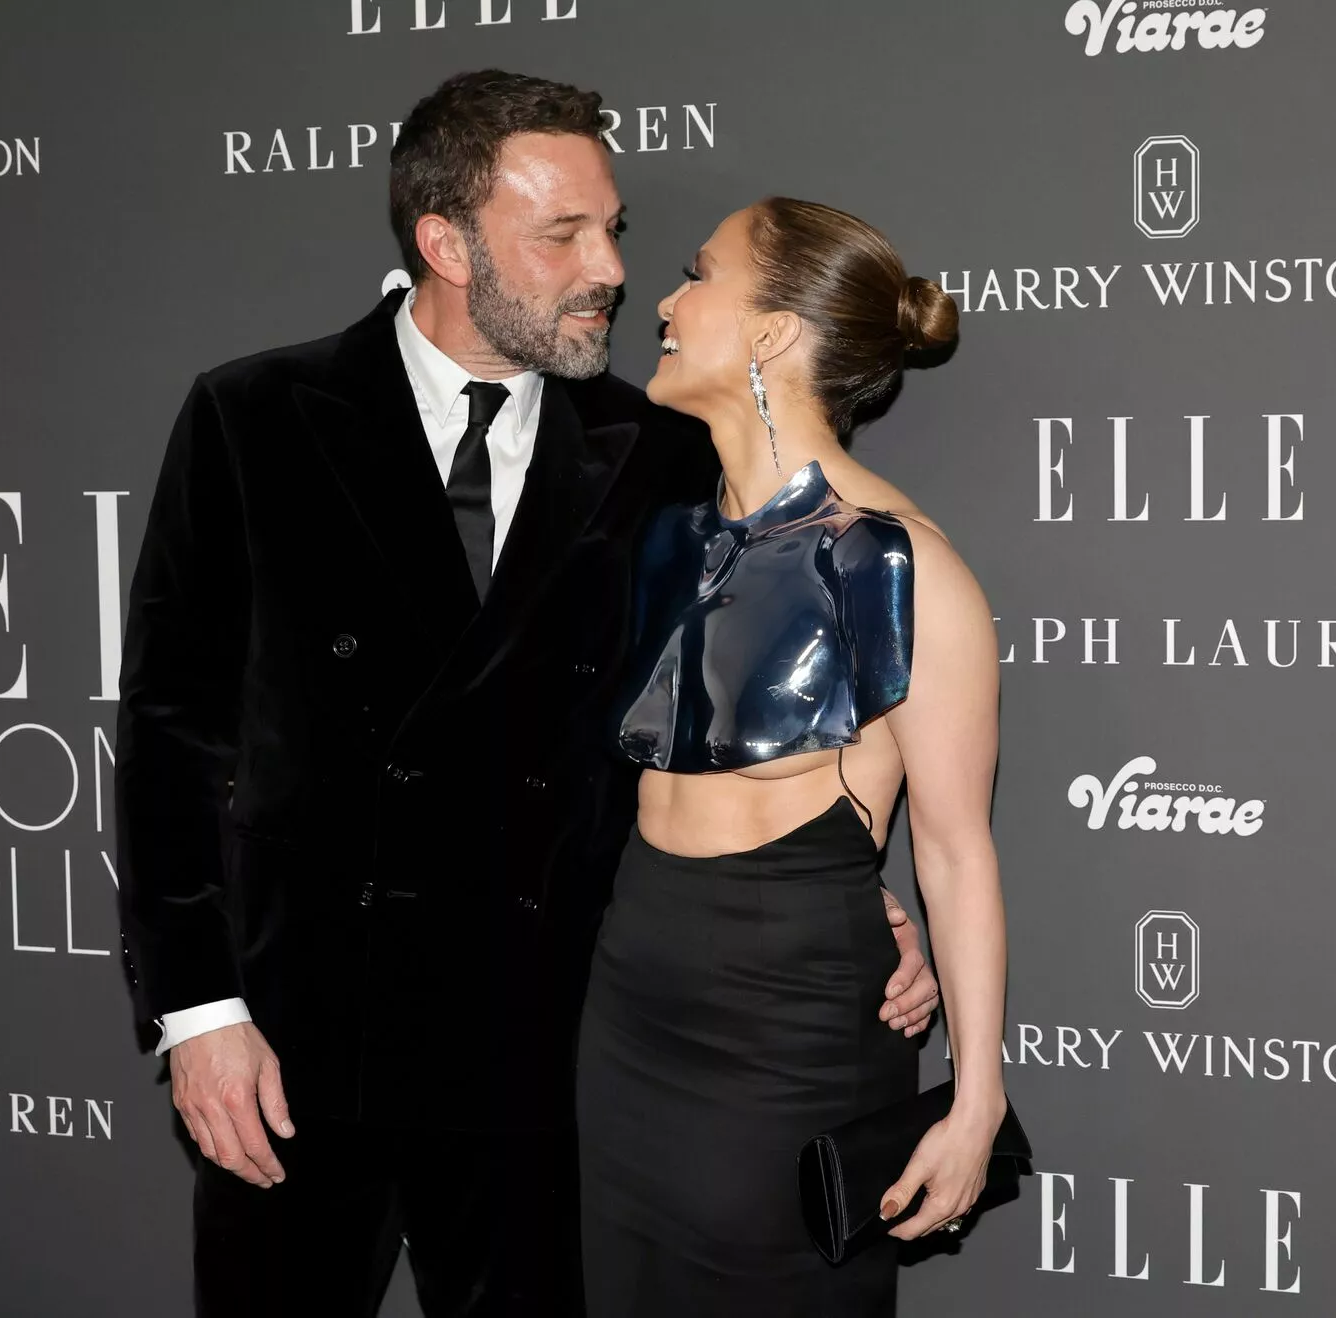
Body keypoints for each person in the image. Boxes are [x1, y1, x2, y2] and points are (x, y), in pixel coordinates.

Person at [114, 71, 941, 1318]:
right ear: (446, 244)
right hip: (296, 1043)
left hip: (548, 1045)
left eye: (612, 228)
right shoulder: (256, 416)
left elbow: (715, 726)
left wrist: (845, 891)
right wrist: (197, 1009)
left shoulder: (661, 449)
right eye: (563, 234)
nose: (610, 269)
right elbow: (172, 736)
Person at [574, 198, 1008, 1316]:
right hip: (627, 1005)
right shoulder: (668, 537)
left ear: (771, 331)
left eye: (697, 274)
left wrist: (976, 1102)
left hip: (782, 1030)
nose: (663, 302)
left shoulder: (900, 568)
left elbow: (955, 851)